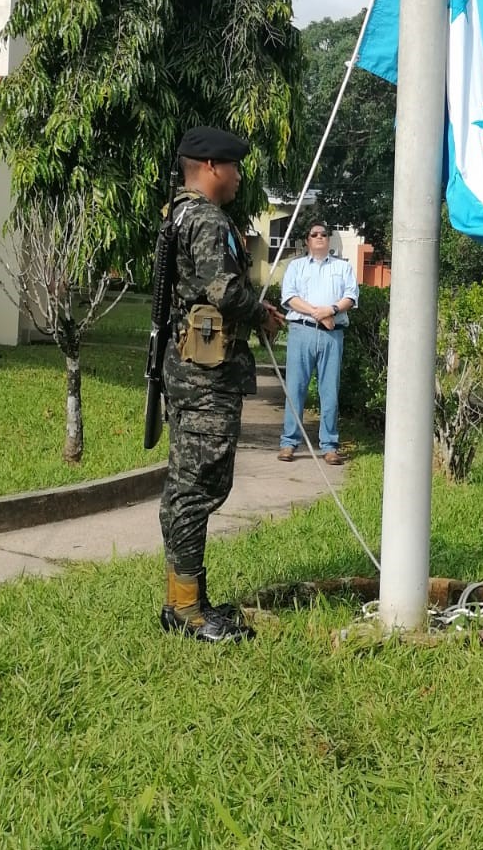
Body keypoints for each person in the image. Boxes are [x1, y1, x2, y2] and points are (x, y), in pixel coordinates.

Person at [158, 126, 284, 643]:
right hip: (203, 376)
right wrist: (262, 313)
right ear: (211, 167)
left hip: (196, 371)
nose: (236, 177)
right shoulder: (205, 219)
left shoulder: (181, 214)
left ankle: (189, 599)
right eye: (232, 167)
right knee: (196, 487)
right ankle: (184, 609)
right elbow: (223, 290)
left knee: (198, 483)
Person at [277, 220, 359, 465]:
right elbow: (290, 297)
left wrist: (331, 310)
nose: (320, 237)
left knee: (329, 391)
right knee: (295, 389)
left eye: (324, 234)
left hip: (332, 336)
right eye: (315, 234)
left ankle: (330, 445)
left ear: (329, 239)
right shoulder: (296, 266)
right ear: (307, 240)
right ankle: (289, 443)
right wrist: (319, 314)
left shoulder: (343, 267)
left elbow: (351, 297)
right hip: (301, 332)